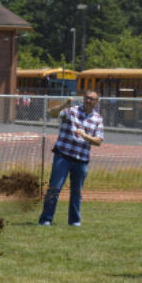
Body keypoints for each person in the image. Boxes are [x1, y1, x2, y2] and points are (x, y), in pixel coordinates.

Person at [38, 89, 105, 227]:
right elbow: (52, 113)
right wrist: (64, 105)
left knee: (76, 192)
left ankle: (74, 221)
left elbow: (98, 141)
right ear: (83, 98)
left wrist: (85, 136)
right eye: (87, 97)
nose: (88, 100)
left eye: (92, 99)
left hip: (81, 160)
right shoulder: (72, 111)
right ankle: (46, 219)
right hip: (63, 156)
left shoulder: (98, 119)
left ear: (96, 102)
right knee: (54, 188)